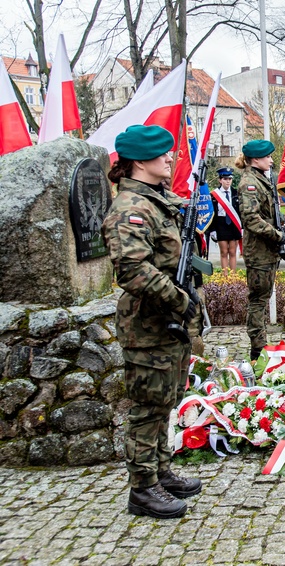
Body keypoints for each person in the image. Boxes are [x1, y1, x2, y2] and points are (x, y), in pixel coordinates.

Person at [102, 124, 203, 519]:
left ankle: (160, 471)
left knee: (165, 400)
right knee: (147, 407)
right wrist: (180, 299)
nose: (169, 159)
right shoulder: (131, 209)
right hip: (149, 323)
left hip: (166, 322)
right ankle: (142, 489)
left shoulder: (155, 200)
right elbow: (130, 269)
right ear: (141, 162)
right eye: (162, 154)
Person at [236, 139, 285, 362]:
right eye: (267, 156)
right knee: (258, 299)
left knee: (263, 297)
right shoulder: (249, 182)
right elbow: (250, 218)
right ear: (256, 159)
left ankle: (260, 344)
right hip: (259, 251)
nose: (271, 160)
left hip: (266, 249)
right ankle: (257, 348)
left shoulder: (261, 179)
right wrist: (276, 234)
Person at [209, 167, 241, 274]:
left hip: (233, 224)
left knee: (232, 252)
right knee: (224, 252)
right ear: (220, 180)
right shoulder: (214, 195)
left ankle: (233, 277)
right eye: (225, 178)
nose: (228, 181)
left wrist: (242, 227)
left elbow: (240, 212)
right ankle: (225, 278)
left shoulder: (236, 193)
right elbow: (212, 213)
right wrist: (212, 230)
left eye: (229, 179)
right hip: (221, 224)